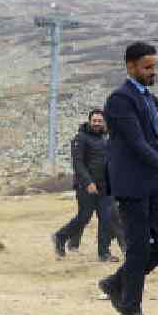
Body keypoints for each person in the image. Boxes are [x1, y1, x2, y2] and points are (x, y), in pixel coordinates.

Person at [98, 42, 158, 315]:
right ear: (130, 66)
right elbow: (137, 143)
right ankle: (130, 310)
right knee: (138, 247)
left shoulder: (150, 99)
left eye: (154, 66)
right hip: (131, 183)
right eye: (147, 67)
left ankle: (115, 283)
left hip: (154, 183)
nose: (153, 72)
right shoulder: (120, 100)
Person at [53, 110, 125, 262]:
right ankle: (60, 236)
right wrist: (88, 182)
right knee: (84, 217)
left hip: (105, 187)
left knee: (106, 219)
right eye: (95, 121)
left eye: (100, 121)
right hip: (86, 187)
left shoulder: (105, 138)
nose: (97, 123)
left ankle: (104, 253)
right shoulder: (81, 138)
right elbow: (78, 164)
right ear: (89, 121)